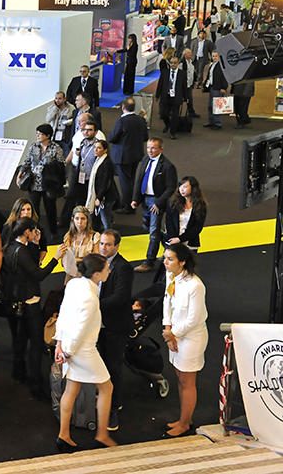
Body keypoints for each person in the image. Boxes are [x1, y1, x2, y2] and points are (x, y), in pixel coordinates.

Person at [53, 253, 118, 451]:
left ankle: (64, 435)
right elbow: (80, 330)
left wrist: (59, 344)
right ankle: (102, 435)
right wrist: (67, 352)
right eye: (106, 269)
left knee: (71, 389)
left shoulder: (74, 284)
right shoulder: (90, 298)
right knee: (107, 388)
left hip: (69, 345)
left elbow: (63, 313)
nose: (109, 271)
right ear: (97, 274)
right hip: (82, 349)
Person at [2, 217, 64, 400]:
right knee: (36, 343)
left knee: (21, 338)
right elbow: (39, 274)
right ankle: (36, 385)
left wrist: (35, 244)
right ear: (27, 232)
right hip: (30, 301)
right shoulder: (21, 251)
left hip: (16, 299)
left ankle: (18, 372)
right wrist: (56, 258)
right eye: (34, 231)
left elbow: (30, 264)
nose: (37, 234)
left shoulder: (12, 246)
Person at [161, 243, 208, 438]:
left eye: (170, 259)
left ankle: (184, 424)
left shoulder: (195, 285)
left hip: (191, 338)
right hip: (175, 334)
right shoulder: (171, 276)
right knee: (180, 378)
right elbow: (167, 301)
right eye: (165, 257)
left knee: (187, 382)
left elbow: (194, 319)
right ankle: (184, 419)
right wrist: (167, 328)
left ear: (182, 262)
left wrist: (172, 334)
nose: (165, 262)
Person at [97, 229, 134, 432]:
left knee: (113, 366)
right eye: (102, 243)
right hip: (99, 325)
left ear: (117, 246)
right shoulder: (98, 263)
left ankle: (114, 405)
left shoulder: (124, 268)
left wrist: (93, 304)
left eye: (108, 244)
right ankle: (105, 398)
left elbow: (120, 297)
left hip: (115, 326)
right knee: (102, 364)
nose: (103, 247)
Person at [132, 138, 178, 273]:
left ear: (161, 149)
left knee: (153, 232)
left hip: (156, 202)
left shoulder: (168, 166)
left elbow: (171, 188)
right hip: (145, 199)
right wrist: (135, 199)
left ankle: (149, 262)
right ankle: (168, 244)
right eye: (148, 147)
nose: (150, 150)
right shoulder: (146, 160)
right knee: (148, 227)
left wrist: (158, 203)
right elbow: (139, 180)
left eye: (153, 148)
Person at [17, 124, 64, 241]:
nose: (38, 135)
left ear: (48, 135)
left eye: (41, 134)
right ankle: (33, 230)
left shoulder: (56, 148)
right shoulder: (34, 146)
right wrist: (20, 173)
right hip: (34, 183)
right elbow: (27, 161)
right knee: (33, 208)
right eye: (37, 133)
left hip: (49, 183)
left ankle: (53, 231)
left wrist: (49, 169)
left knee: (50, 208)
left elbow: (61, 165)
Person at [109, 97, 149, 214]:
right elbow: (145, 137)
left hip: (122, 156)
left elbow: (112, 138)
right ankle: (132, 202)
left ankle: (128, 206)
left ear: (123, 108)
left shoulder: (121, 121)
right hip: (136, 154)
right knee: (131, 179)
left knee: (125, 182)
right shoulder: (141, 120)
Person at [164, 176, 207, 254]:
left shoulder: (201, 205)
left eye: (185, 187)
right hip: (172, 241)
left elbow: (197, 227)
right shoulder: (173, 203)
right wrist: (174, 239)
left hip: (190, 243)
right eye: (180, 186)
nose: (181, 189)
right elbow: (169, 222)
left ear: (193, 188)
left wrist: (180, 239)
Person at [59, 206, 100, 282]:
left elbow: (96, 261)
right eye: (77, 218)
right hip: (71, 276)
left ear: (87, 220)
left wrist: (74, 260)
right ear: (73, 219)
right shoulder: (69, 236)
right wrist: (82, 260)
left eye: (83, 219)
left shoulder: (94, 237)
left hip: (88, 276)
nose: (79, 222)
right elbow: (63, 262)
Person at [86, 140, 120, 231]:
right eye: (95, 147)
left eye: (99, 148)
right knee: (100, 218)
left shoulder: (107, 163)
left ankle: (109, 236)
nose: (95, 150)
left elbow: (106, 182)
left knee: (106, 220)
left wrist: (99, 198)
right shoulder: (98, 160)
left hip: (106, 197)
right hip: (101, 195)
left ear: (105, 150)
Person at [159, 55, 188, 139]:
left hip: (176, 97)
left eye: (175, 63)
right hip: (166, 96)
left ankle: (173, 132)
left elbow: (184, 86)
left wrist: (186, 97)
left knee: (175, 116)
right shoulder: (165, 72)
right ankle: (167, 124)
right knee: (164, 114)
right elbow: (160, 84)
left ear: (178, 63)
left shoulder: (182, 73)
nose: (173, 64)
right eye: (171, 63)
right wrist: (157, 95)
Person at [203, 49, 228, 130]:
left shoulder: (221, 65)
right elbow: (209, 77)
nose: (214, 57)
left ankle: (218, 123)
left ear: (219, 57)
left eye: (216, 56)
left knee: (216, 106)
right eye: (213, 56)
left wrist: (224, 87)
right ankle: (212, 121)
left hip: (218, 88)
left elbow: (224, 77)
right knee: (210, 105)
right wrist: (205, 86)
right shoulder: (212, 65)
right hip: (212, 87)